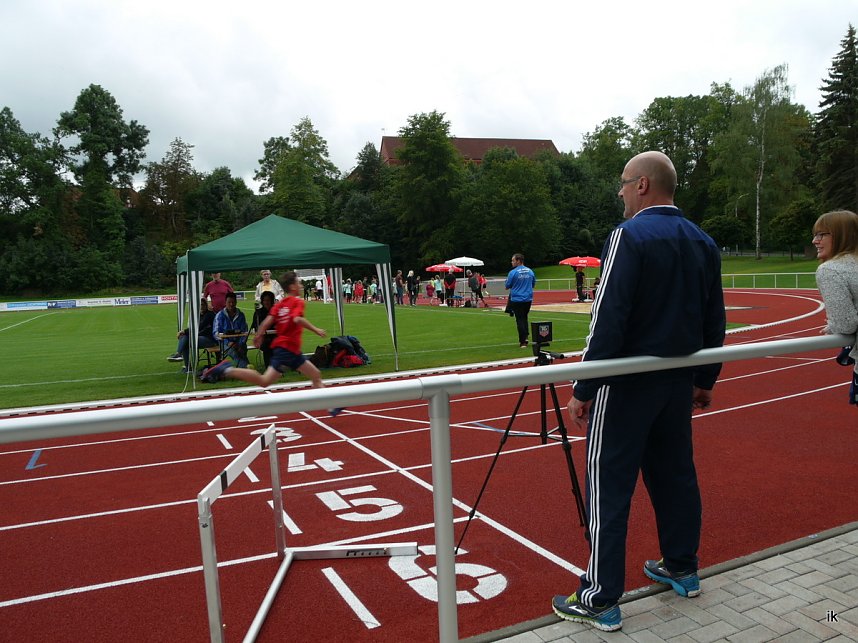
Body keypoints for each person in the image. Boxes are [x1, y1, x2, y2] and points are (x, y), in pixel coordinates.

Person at [553, 151, 726, 632]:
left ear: (643, 185)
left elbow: (608, 316)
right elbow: (715, 318)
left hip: (627, 384)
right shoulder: (703, 240)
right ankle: (682, 567)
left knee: (609, 487)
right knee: (675, 477)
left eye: (625, 183)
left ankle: (600, 596)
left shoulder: (628, 235)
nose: (621, 192)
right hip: (677, 382)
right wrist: (705, 379)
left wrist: (584, 385)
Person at [201, 271, 343, 416]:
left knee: (268, 380)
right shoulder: (297, 302)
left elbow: (267, 321)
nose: (301, 286)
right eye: (299, 283)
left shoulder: (281, 305)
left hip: (285, 348)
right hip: (289, 349)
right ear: (292, 287)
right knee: (312, 375)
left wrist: (259, 335)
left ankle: (227, 370)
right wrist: (316, 329)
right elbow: (297, 319)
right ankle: (331, 405)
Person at [812, 209, 858, 407]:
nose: (815, 241)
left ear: (841, 235)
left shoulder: (830, 270)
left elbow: (845, 324)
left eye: (821, 234)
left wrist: (834, 324)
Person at [168, 299, 217, 373]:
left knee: (186, 338)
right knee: (185, 342)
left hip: (210, 340)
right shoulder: (199, 315)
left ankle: (179, 355)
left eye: (203, 304)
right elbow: (195, 328)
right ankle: (187, 366)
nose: (201, 306)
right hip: (202, 338)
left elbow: (199, 327)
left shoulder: (209, 315)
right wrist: (185, 332)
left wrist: (184, 331)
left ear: (206, 305)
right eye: (199, 305)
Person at [505, 253, 535, 347]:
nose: (512, 262)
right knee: (525, 317)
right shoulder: (530, 271)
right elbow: (533, 284)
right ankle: (526, 337)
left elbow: (507, 286)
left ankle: (523, 340)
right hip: (528, 298)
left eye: (513, 260)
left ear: (518, 261)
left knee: (519, 319)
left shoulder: (513, 272)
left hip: (517, 299)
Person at [213, 291, 249, 368]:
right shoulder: (219, 315)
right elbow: (215, 333)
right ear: (225, 302)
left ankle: (244, 368)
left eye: (233, 302)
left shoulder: (241, 315)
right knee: (235, 353)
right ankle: (246, 368)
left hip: (239, 343)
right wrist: (228, 342)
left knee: (242, 350)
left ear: (236, 302)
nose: (231, 304)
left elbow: (244, 331)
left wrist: (240, 343)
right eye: (229, 302)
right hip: (225, 344)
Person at [251, 291, 276, 369]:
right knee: (267, 345)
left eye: (268, 300)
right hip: (264, 339)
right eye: (265, 300)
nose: (266, 302)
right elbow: (256, 327)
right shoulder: (258, 313)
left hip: (276, 337)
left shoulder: (276, 311)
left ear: (272, 301)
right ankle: (270, 367)